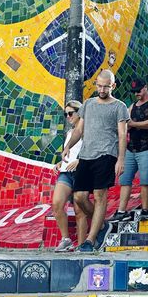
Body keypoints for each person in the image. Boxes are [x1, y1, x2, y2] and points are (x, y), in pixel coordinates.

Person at [62, 70, 129, 253]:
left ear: (112, 86)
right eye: (98, 85)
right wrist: (68, 146)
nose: (101, 89)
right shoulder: (89, 104)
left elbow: (122, 134)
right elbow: (79, 130)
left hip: (107, 154)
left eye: (105, 86)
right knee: (79, 197)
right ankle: (102, 225)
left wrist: (120, 159)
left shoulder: (119, 106)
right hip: (86, 155)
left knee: (100, 196)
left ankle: (90, 241)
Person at [112, 77, 148, 222]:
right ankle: (122, 210)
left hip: (147, 147)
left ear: (145, 87)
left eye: (139, 91)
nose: (137, 94)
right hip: (131, 148)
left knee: (145, 180)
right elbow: (125, 124)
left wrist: (134, 124)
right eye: (134, 92)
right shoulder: (132, 106)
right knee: (125, 180)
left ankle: (145, 210)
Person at [53, 101, 89, 252]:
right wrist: (60, 163)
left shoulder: (89, 130)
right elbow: (68, 153)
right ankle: (66, 239)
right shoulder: (70, 133)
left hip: (82, 172)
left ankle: (81, 245)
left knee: (79, 210)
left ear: (79, 112)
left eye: (70, 113)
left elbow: (93, 150)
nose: (68, 117)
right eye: (65, 114)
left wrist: (80, 161)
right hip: (66, 172)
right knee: (57, 203)